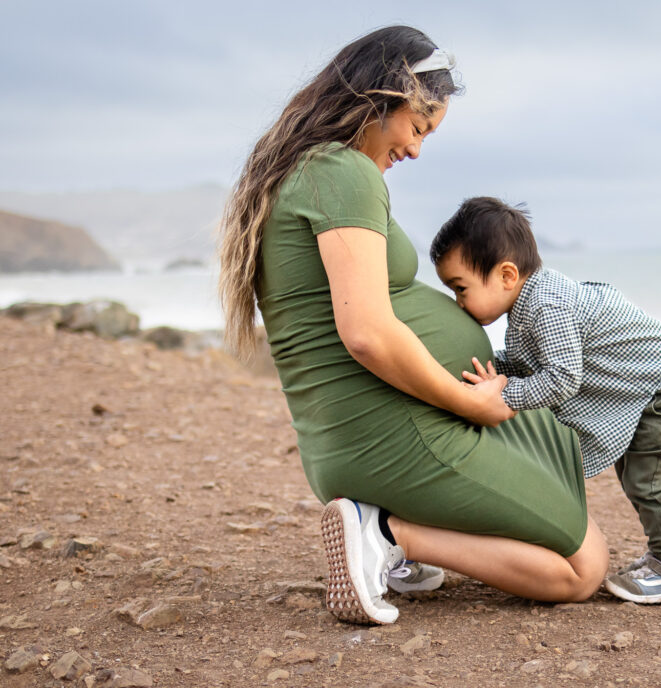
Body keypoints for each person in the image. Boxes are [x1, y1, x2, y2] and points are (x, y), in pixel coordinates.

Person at [217, 27, 608, 625]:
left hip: (377, 430)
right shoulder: (342, 172)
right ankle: (386, 534)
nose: (417, 150)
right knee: (584, 570)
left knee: (552, 460)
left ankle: (391, 531)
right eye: (418, 127)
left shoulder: (314, 171)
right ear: (385, 94)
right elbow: (368, 334)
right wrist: (465, 402)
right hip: (392, 433)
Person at [430, 196, 661, 604]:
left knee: (646, 482)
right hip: (655, 388)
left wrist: (504, 395)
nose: (459, 303)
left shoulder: (546, 304)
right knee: (636, 478)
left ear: (506, 275)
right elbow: (531, 361)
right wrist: (491, 370)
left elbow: (561, 377)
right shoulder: (529, 302)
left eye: (460, 289)